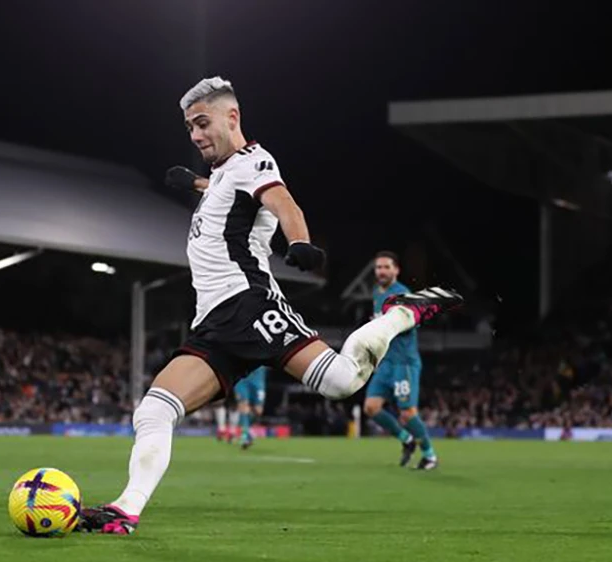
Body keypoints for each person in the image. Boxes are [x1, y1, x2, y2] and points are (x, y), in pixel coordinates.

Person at [78, 77, 462, 534]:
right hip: (214, 324)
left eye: (203, 123)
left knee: (341, 382)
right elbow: (229, 193)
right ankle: (126, 509)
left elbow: (281, 200)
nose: (196, 134)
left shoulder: (254, 159)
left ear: (232, 117)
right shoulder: (225, 172)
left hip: (249, 305)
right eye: (189, 128)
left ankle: (402, 312)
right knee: (154, 411)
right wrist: (197, 183)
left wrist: (299, 241)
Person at [364, 251, 436, 470]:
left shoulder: (403, 295)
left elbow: (412, 322)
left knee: (407, 412)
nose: (382, 271)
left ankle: (429, 455)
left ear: (396, 270)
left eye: (386, 267)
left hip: (404, 363)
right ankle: (406, 439)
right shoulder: (377, 293)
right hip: (386, 363)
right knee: (371, 407)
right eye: (378, 267)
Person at [234, 365, 267, 449]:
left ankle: (247, 428)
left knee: (258, 410)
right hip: (242, 379)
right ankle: (245, 436)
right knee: (243, 406)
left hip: (257, 378)